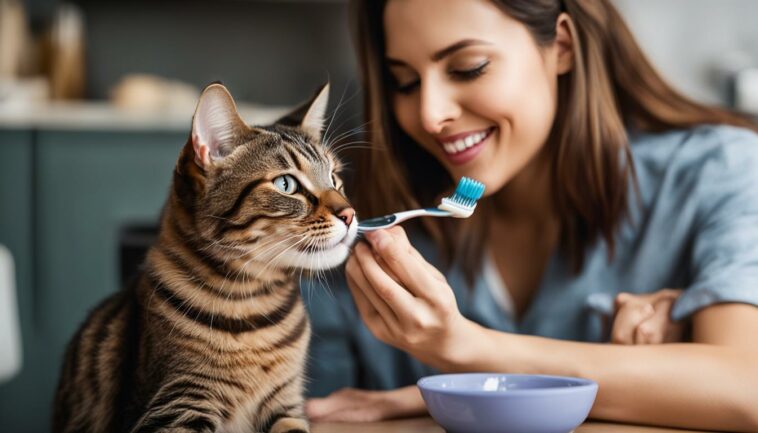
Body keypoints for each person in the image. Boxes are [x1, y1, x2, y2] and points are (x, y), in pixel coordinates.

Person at [303, 0, 758, 431]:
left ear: (561, 45)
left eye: (468, 68)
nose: (430, 115)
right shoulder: (340, 220)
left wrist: (470, 352)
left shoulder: (722, 171)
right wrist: (653, 380)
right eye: (405, 81)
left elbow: (745, 387)